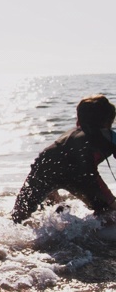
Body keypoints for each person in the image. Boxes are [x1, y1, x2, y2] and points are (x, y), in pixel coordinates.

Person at [11, 94, 116, 224]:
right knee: (109, 211)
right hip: (81, 174)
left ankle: (57, 208)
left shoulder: (69, 135)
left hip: (45, 167)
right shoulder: (109, 137)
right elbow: (87, 174)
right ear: (108, 121)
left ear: (79, 119)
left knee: (19, 214)